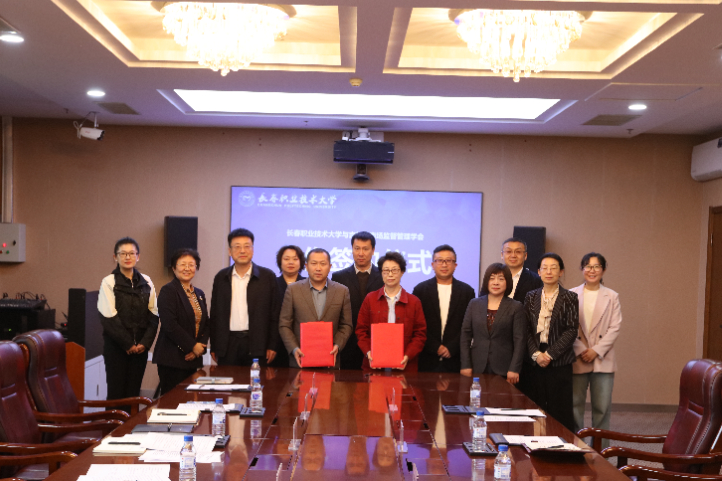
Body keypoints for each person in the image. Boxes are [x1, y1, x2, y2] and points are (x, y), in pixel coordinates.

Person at [97, 237, 158, 412]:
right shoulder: (109, 282)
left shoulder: (146, 281)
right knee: (116, 395)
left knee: (134, 394)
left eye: (131, 253)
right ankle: (114, 428)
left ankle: (132, 427)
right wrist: (128, 344)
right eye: (123, 253)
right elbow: (109, 318)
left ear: (138, 256)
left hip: (140, 350)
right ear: (115, 257)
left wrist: (144, 344)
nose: (127, 257)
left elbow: (154, 314)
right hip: (116, 349)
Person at [523, 253, 579, 432]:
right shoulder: (530, 296)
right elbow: (526, 329)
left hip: (559, 360)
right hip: (534, 360)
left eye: (553, 268)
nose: (549, 272)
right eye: (544, 268)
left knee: (560, 409)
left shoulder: (570, 297)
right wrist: (536, 354)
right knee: (535, 407)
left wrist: (550, 354)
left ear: (561, 272)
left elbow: (571, 330)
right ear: (538, 272)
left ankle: (563, 445)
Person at [570, 253, 622, 442]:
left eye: (596, 266)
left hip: (603, 358)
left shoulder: (612, 296)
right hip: (577, 357)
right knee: (575, 406)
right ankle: (577, 447)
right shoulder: (571, 294)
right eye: (588, 266)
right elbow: (567, 327)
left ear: (603, 270)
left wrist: (596, 350)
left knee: (602, 408)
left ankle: (600, 450)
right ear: (582, 269)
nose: (592, 270)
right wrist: (581, 349)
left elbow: (615, 327)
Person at [209, 228, 280, 367]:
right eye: (237, 247)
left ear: (253, 249)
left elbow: (275, 313)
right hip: (228, 344)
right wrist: (215, 345)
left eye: (247, 246)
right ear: (229, 251)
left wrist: (272, 345)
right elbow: (215, 314)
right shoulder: (221, 277)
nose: (242, 251)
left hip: (258, 344)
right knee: (228, 380)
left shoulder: (267, 277)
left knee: (256, 381)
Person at [279, 248, 353, 368]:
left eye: (323, 264)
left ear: (330, 267)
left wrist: (337, 345)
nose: (318, 268)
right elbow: (284, 324)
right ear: (306, 266)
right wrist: (294, 348)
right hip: (300, 359)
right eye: (314, 263)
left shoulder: (342, 291)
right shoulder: (293, 290)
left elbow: (346, 325)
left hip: (330, 359)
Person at [356, 252, 427, 372]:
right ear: (381, 273)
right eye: (386, 270)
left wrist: (407, 355)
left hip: (405, 367)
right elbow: (361, 330)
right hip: (374, 365)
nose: (390, 274)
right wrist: (368, 352)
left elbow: (420, 334)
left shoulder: (414, 302)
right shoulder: (370, 299)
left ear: (402, 272)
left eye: (394, 270)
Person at [153, 248, 209, 395]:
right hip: (172, 358)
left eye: (191, 264)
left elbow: (206, 323)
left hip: (193, 359)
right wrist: (192, 346)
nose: (187, 268)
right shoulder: (168, 291)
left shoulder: (199, 294)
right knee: (173, 402)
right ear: (174, 268)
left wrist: (199, 349)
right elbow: (169, 325)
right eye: (182, 264)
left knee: (191, 401)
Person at [413, 245, 475, 372]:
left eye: (449, 261)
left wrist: (452, 347)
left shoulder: (467, 292)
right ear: (432, 264)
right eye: (440, 260)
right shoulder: (420, 290)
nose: (444, 264)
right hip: (426, 359)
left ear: (455, 265)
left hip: (456, 359)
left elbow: (469, 325)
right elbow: (417, 324)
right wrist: (435, 347)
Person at [460, 263, 525, 383]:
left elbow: (519, 340)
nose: (496, 283)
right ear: (486, 281)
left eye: (501, 279)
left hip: (504, 368)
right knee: (477, 395)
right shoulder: (474, 304)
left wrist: (514, 369)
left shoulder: (516, 307)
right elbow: (465, 336)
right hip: (477, 366)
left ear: (508, 282)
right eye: (492, 278)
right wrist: (465, 364)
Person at [331, 231, 384, 370]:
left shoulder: (383, 276)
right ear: (352, 249)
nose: (361, 253)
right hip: (347, 343)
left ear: (373, 250)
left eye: (365, 249)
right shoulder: (339, 277)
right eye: (357, 248)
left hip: (375, 342)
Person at [272, 245, 306, 368]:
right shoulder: (272, 284)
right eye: (286, 259)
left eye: (295, 259)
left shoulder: (308, 284)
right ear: (280, 262)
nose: (290, 262)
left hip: (302, 342)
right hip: (276, 342)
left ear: (301, 262)